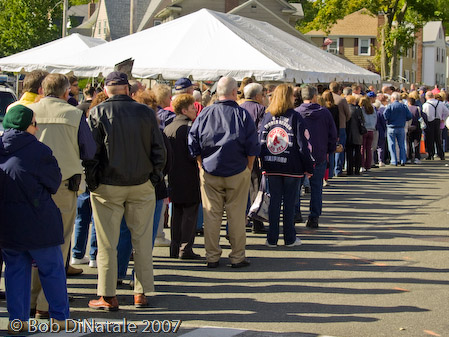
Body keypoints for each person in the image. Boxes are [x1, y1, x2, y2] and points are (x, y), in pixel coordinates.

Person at [86, 71, 166, 310]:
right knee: (141, 241)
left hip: (109, 185)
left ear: (107, 90)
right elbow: (159, 150)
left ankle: (108, 295)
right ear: (127, 89)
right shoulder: (144, 112)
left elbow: (91, 153)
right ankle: (140, 292)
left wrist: (93, 181)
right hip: (140, 183)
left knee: (107, 242)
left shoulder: (98, 112)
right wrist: (153, 177)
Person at [29, 73, 96, 318]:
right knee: (58, 245)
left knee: (33, 244)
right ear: (66, 92)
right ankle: (46, 303)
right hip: (63, 184)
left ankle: (32, 298)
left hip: (31, 186)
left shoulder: (30, 110)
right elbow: (89, 151)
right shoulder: (75, 114)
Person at [0, 105, 70, 332]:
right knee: (51, 270)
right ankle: (59, 318)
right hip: (39, 221)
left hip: (7, 223)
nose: (37, 127)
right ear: (27, 125)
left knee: (15, 272)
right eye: (34, 123)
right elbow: (53, 182)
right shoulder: (40, 151)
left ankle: (17, 321)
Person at [188, 76, 260, 269]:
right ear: (234, 92)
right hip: (237, 170)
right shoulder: (242, 115)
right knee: (236, 215)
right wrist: (249, 167)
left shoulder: (205, 114)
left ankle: (212, 256)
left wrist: (200, 163)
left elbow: (192, 140)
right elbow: (253, 144)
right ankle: (237, 256)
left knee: (212, 215)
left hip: (211, 169)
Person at [259, 84, 314, 247]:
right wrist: (308, 167)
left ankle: (272, 238)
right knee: (289, 203)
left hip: (271, 164)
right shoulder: (295, 117)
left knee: (274, 202)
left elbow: (261, 141)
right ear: (288, 97)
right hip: (292, 166)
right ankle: (289, 237)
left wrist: (263, 162)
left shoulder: (267, 116)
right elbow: (303, 145)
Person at [164, 94, 201, 259]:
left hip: (173, 175)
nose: (195, 110)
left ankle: (175, 247)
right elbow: (193, 152)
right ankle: (185, 248)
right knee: (189, 213)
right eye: (193, 107)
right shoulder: (189, 128)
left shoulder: (168, 127)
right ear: (184, 110)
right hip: (189, 174)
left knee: (177, 213)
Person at [295, 86, 337, 228]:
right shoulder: (324, 113)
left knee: (296, 186)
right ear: (315, 96)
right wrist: (329, 150)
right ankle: (314, 216)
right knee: (316, 187)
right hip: (318, 153)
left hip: (299, 154)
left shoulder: (296, 113)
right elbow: (332, 134)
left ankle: (295, 213)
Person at [240, 82, 267, 234]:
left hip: (238, 154)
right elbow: (261, 132)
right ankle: (257, 222)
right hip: (254, 153)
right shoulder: (261, 109)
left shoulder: (238, 108)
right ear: (257, 96)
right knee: (255, 188)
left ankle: (243, 220)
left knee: (241, 189)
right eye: (263, 95)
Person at [383, 92, 412, 166]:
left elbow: (385, 115)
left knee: (392, 145)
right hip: (401, 127)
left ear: (392, 98)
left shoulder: (390, 106)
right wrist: (403, 119)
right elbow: (409, 116)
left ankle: (394, 160)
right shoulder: (403, 106)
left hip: (391, 127)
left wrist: (389, 120)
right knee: (401, 145)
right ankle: (402, 160)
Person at [329, 82, 350, 177]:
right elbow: (348, 114)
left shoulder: (325, 98)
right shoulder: (342, 100)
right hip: (341, 125)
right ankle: (338, 169)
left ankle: (329, 171)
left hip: (328, 126)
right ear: (339, 89)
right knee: (339, 147)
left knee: (330, 149)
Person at [422, 91, 448, 160]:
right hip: (437, 121)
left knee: (429, 139)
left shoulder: (425, 105)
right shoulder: (440, 103)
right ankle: (441, 155)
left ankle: (430, 154)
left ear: (427, 97)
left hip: (429, 122)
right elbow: (446, 111)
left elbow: (423, 114)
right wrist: (443, 118)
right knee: (438, 139)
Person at [345, 95, 364, 175]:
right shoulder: (358, 109)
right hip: (357, 133)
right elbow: (362, 120)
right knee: (357, 152)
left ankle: (349, 169)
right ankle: (357, 169)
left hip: (348, 132)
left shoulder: (346, 109)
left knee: (349, 153)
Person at [359, 96, 377, 172]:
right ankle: (368, 166)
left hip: (364, 130)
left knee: (362, 148)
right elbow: (375, 118)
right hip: (371, 130)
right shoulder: (372, 109)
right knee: (369, 149)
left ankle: (362, 165)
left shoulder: (361, 109)